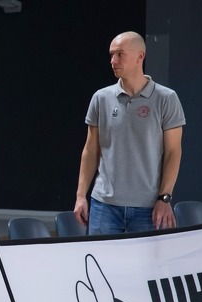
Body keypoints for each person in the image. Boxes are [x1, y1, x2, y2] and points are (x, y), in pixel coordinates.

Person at [74, 31, 185, 235]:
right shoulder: (101, 98)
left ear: (140, 56)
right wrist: (81, 196)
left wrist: (164, 198)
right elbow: (90, 150)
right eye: (111, 55)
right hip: (104, 204)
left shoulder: (166, 98)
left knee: (146, 258)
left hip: (148, 207)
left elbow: (173, 152)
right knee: (101, 256)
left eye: (120, 54)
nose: (113, 61)